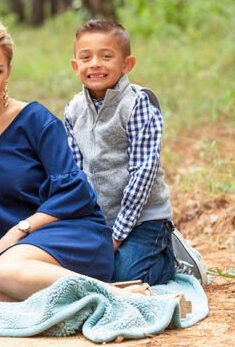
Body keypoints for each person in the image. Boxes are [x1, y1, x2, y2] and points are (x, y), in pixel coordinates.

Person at [0, 20, 150, 302]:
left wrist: (21, 229)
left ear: (8, 72)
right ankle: (80, 296)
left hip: (65, 236)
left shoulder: (35, 121)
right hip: (3, 253)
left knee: (8, 271)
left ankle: (116, 295)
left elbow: (77, 193)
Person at [64, 19, 208, 286]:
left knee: (124, 276)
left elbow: (143, 173)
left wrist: (116, 237)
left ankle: (171, 258)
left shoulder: (137, 104)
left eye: (106, 56)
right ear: (76, 66)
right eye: (86, 57)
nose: (95, 63)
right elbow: (74, 169)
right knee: (80, 272)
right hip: (100, 218)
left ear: (126, 64)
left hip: (144, 218)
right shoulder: (73, 110)